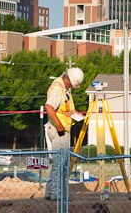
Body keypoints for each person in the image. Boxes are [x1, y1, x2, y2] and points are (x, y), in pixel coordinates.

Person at [43, 67, 84, 202]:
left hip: (62, 129)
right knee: (61, 164)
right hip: (58, 130)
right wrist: (59, 124)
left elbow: (66, 108)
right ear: (68, 79)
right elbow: (48, 107)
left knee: (57, 163)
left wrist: (76, 113)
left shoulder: (65, 89)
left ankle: (50, 193)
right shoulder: (58, 89)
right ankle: (57, 195)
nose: (72, 87)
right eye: (72, 84)